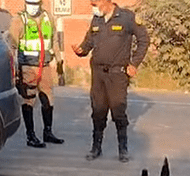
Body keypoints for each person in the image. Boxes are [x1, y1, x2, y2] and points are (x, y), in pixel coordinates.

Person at [72, 0, 149, 162]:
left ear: (106, 2)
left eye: (95, 4)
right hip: (98, 74)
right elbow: (88, 43)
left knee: (118, 112)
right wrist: (80, 51)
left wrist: (134, 63)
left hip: (117, 74)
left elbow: (144, 40)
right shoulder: (97, 20)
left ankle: (123, 149)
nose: (93, 7)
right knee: (98, 111)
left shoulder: (127, 18)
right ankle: (96, 148)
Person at [10, 0, 65, 148]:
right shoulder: (19, 20)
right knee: (29, 100)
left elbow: (53, 41)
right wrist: (15, 72)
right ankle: (31, 135)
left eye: (35, 3)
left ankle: (48, 132)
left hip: (45, 65)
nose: (32, 6)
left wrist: (60, 62)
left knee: (48, 98)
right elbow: (12, 47)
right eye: (30, 3)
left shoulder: (48, 18)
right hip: (28, 67)